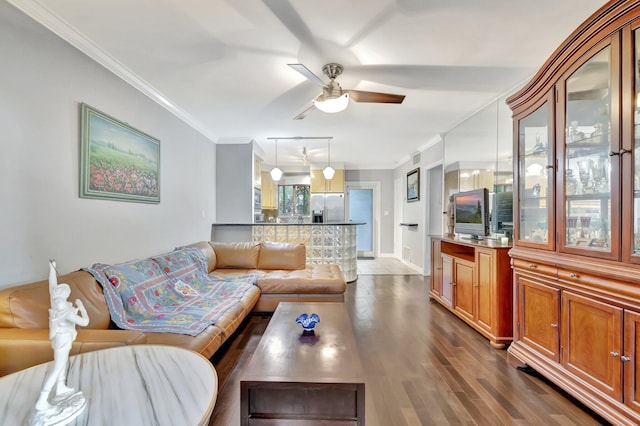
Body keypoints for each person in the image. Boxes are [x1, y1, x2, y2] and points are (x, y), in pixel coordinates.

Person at [34, 261, 90, 411]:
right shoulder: (67, 312)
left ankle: (60, 387)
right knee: (58, 367)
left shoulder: (55, 303)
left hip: (60, 338)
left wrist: (52, 269)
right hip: (63, 339)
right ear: (67, 295)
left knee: (62, 363)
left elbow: (52, 285)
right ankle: (42, 399)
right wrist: (82, 308)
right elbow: (84, 322)